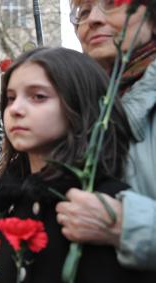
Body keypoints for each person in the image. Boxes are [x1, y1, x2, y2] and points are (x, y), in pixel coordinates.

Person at [0, 47, 155, 283]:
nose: (15, 110)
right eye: (11, 98)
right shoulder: (9, 202)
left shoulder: (102, 207)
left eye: (38, 96)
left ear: (79, 104)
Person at [56, 0, 156, 270]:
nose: (94, 20)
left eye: (112, 4)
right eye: (84, 12)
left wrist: (125, 225)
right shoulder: (77, 111)